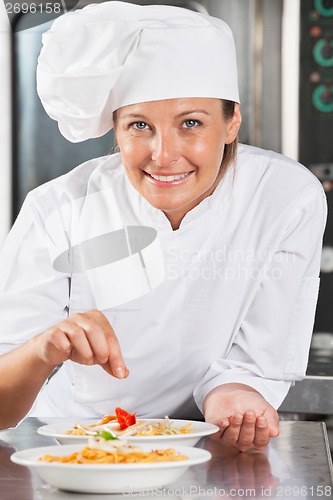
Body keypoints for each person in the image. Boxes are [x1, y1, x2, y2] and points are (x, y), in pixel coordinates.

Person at [0, 1, 327, 453]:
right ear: (115, 130)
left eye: (191, 123)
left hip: (202, 444)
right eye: (139, 126)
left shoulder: (285, 196)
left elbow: (253, 362)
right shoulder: (57, 208)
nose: (164, 154)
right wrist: (42, 349)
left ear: (233, 122)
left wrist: (235, 395)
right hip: (70, 441)